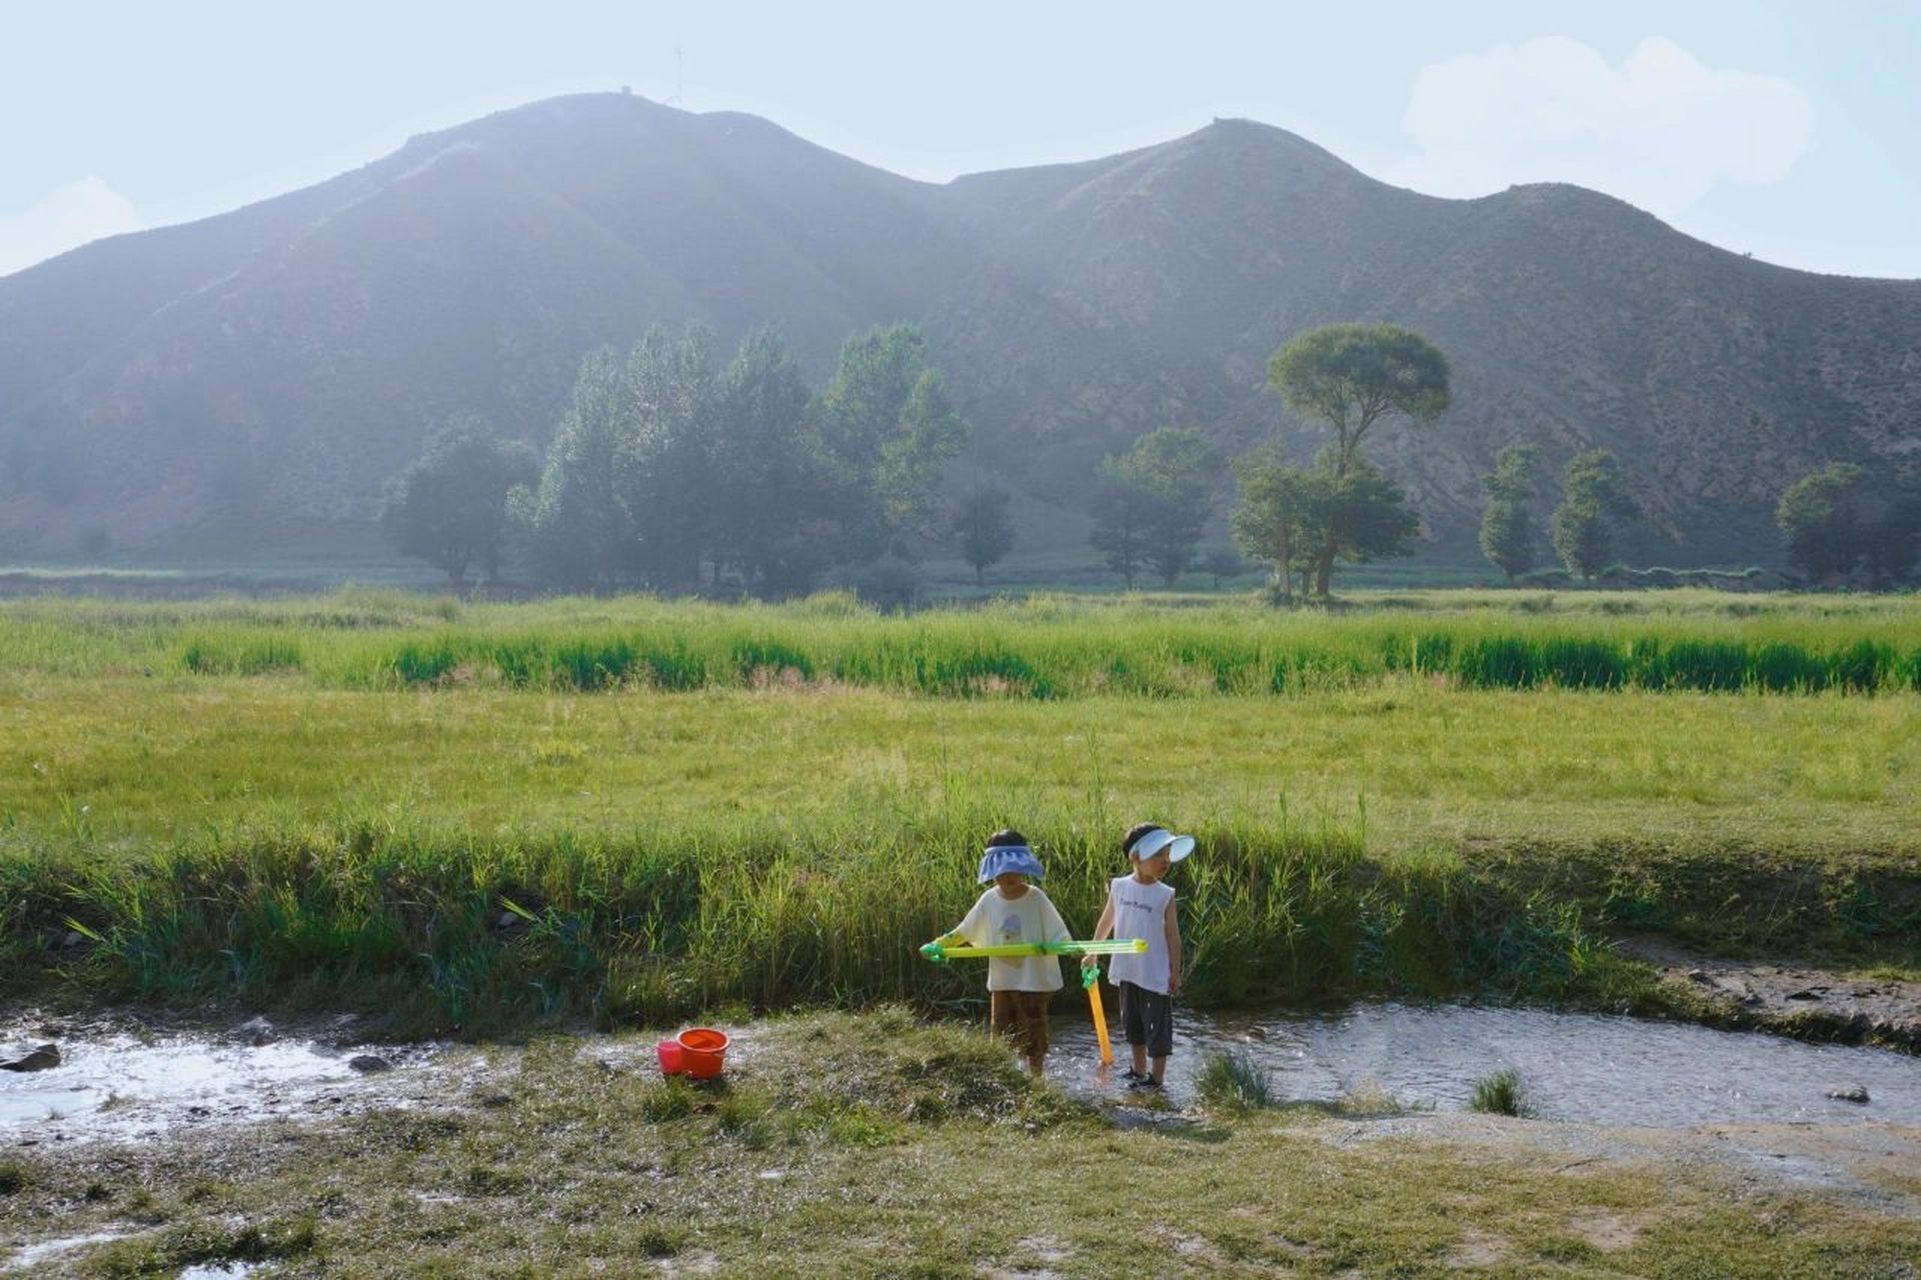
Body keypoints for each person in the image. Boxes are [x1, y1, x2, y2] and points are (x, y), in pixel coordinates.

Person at [932, 828, 1072, 1075]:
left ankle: (1036, 1077)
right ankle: (1005, 1074)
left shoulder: (1036, 897)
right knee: (1002, 1026)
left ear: (1024, 867)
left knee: (1034, 1026)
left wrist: (1071, 948)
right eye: (1001, 871)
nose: (1007, 877)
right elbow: (966, 929)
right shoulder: (989, 900)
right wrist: (941, 944)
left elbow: (1057, 930)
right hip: (1003, 978)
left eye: (1013, 870)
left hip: (1033, 978)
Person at [1084, 822, 1191, 1091]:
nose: (1165, 860)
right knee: (1132, 1022)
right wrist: (1093, 953)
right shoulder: (1119, 886)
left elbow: (1173, 937)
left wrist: (1175, 971)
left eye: (1167, 854)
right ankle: (1138, 1070)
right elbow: (1107, 920)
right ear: (1136, 858)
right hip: (1129, 970)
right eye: (1158, 855)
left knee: (1158, 1026)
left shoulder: (1165, 895)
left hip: (1155, 974)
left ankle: (1156, 1079)